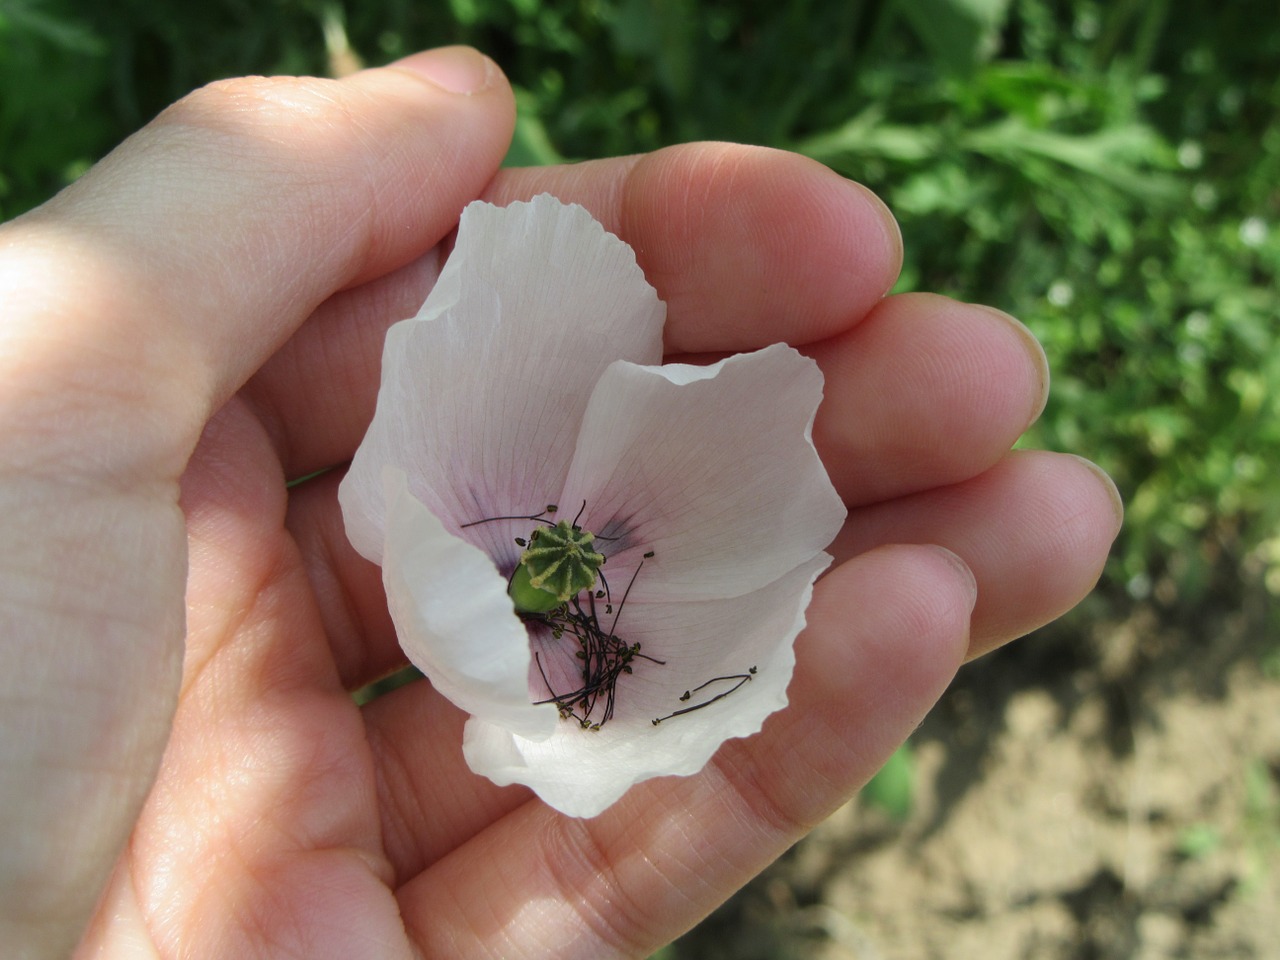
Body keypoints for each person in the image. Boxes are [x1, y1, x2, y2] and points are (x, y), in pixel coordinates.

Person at [0, 46, 1122, 959]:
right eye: (553, 568)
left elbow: (688, 687)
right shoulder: (437, 498)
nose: (554, 570)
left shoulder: (610, 642)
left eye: (563, 568)